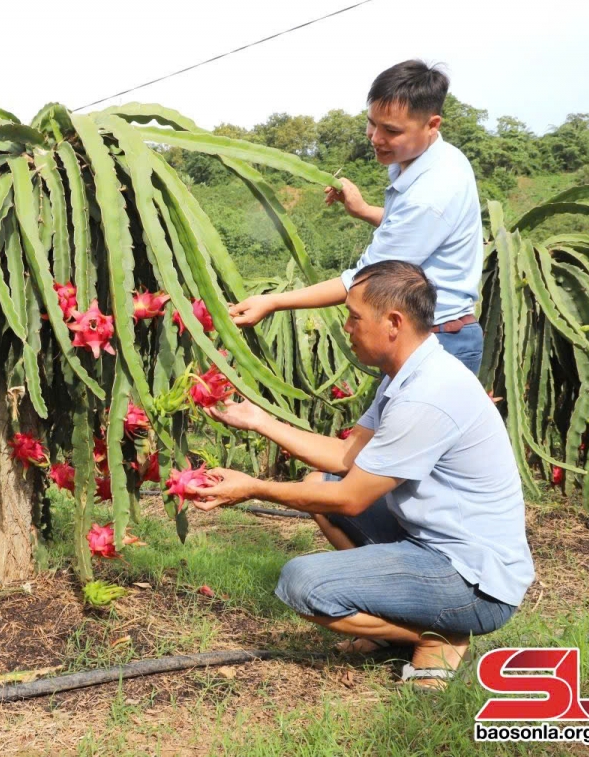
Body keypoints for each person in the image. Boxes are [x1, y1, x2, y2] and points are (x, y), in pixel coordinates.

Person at [198, 261, 533, 686]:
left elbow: (351, 498)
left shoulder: (429, 395)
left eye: (354, 317)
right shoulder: (409, 373)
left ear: (393, 322)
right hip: (433, 542)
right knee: (317, 483)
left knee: (304, 584)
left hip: (472, 581)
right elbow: (345, 456)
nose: (346, 327)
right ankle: (396, 620)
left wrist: (254, 489)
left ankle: (438, 637)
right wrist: (258, 419)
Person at [229, 60, 485, 373]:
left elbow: (366, 280)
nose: (375, 138)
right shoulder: (439, 157)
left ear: (432, 125)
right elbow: (417, 232)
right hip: (426, 337)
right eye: (371, 123)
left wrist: (272, 302)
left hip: (439, 345)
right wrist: (363, 210)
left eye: (391, 131)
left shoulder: (432, 192)